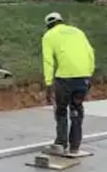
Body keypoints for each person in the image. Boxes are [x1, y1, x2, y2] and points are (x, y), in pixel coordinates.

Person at [41, 12, 95, 155]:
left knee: (61, 109)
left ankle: (61, 143)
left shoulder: (49, 36)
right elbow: (90, 53)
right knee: (77, 109)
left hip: (65, 78)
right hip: (83, 77)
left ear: (48, 25)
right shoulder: (78, 32)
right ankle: (75, 146)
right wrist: (89, 75)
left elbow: (48, 61)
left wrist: (48, 83)